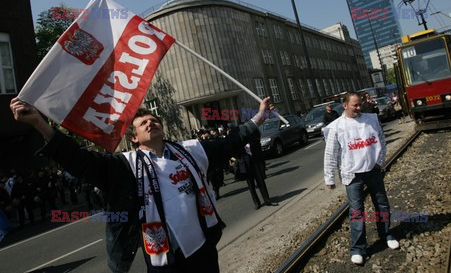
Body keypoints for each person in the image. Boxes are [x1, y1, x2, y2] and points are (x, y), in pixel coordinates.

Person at [10, 96, 275, 273]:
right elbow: (80, 161)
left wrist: (259, 117)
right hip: (165, 260)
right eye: (143, 123)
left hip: (203, 250)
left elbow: (230, 143)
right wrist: (40, 124)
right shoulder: (124, 166)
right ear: (134, 138)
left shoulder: (191, 150)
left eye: (154, 120)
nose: (151, 122)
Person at [323, 92, 399, 265]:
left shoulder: (371, 119)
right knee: (357, 211)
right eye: (354, 105)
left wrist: (380, 163)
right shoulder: (336, 126)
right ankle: (358, 248)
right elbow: (330, 154)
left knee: (382, 203)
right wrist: (329, 178)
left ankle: (386, 234)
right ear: (345, 105)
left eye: (360, 105)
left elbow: (381, 140)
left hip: (373, 170)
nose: (358, 108)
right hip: (352, 175)